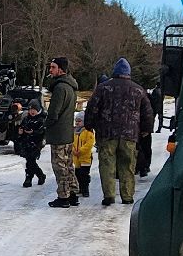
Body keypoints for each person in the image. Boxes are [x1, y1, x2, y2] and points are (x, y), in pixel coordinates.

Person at [83, 57, 152, 205]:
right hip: (130, 134)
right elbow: (147, 112)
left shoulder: (103, 88)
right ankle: (127, 196)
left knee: (107, 164)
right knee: (127, 165)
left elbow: (92, 108)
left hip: (106, 133)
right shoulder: (138, 89)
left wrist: (89, 125)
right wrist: (146, 130)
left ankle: (109, 195)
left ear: (114, 72)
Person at [43, 57, 80, 208]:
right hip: (67, 132)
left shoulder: (60, 88)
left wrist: (45, 125)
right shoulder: (70, 86)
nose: (50, 70)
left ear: (61, 69)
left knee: (60, 166)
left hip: (59, 133)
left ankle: (63, 196)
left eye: (53, 67)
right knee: (68, 164)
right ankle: (72, 193)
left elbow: (53, 113)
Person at [13, 101, 46, 187]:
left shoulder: (41, 119)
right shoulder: (26, 119)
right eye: (30, 109)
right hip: (26, 143)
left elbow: (42, 132)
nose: (32, 111)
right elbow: (21, 128)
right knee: (30, 161)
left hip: (36, 143)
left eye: (34, 109)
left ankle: (29, 178)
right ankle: (40, 175)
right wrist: (20, 133)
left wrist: (33, 132)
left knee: (30, 161)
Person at [72, 111, 95, 199]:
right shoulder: (75, 132)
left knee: (84, 175)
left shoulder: (88, 132)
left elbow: (89, 144)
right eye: (76, 121)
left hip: (85, 158)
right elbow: (72, 143)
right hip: (76, 158)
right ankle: (80, 188)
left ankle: (85, 189)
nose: (77, 123)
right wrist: (73, 150)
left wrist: (81, 151)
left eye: (79, 121)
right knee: (77, 174)